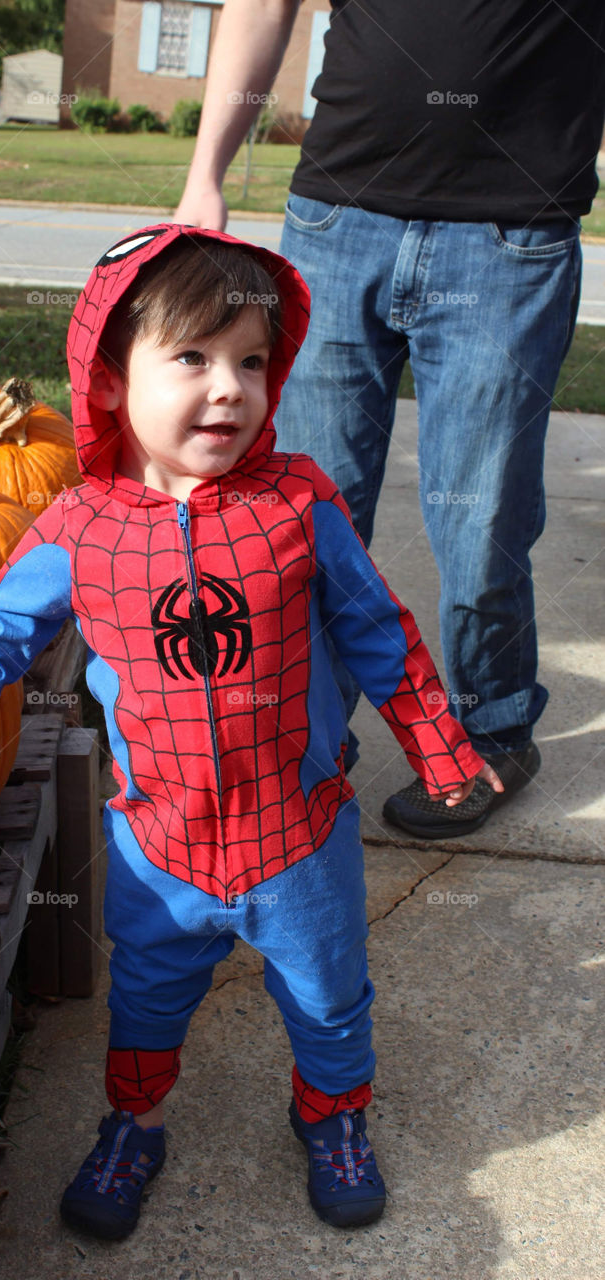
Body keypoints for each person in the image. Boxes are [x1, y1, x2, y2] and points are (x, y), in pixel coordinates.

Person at [0, 224, 501, 1240]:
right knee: (147, 1003)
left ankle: (333, 1114)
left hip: (301, 834)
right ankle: (134, 1123)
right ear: (108, 379)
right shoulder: (77, 528)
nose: (230, 387)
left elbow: (380, 631)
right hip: (163, 849)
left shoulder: (300, 503)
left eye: (251, 360)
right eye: (193, 357)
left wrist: (440, 742)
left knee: (330, 997)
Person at [175, 0, 605, 838]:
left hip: (511, 236)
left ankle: (492, 732)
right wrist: (206, 177)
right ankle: (303, 740)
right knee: (300, 516)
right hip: (337, 218)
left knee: (481, 524)